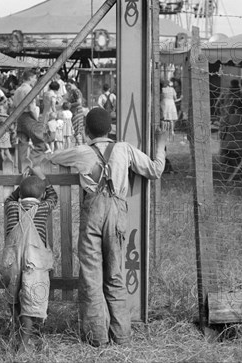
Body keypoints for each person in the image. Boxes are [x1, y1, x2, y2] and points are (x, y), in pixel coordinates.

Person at [48, 108, 167, 346]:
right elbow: (155, 170)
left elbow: (53, 157)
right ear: (110, 129)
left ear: (86, 131)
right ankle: (121, 336)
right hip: (117, 214)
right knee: (114, 275)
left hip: (92, 212)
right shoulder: (124, 149)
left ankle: (97, 337)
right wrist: (161, 144)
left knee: (91, 277)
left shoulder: (81, 152)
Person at [1, 166, 57, 352]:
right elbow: (53, 197)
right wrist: (43, 179)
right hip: (33, 263)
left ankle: (16, 336)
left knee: (15, 297)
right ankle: (25, 343)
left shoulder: (11, 207)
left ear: (19, 195)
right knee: (30, 301)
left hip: (11, 263)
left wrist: (22, 185)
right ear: (40, 197)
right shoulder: (41, 209)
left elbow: (9, 198)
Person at [13, 70, 48, 169]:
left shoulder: (18, 90)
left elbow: (14, 105)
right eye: (34, 78)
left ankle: (22, 168)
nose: (35, 79)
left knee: (22, 144)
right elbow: (32, 107)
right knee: (40, 144)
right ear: (30, 78)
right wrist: (36, 120)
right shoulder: (29, 90)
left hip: (20, 118)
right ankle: (31, 165)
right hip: (29, 117)